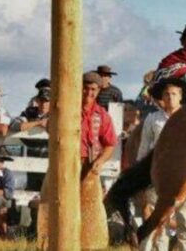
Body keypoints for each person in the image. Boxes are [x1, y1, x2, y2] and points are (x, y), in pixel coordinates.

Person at [137, 78, 186, 251]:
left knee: (185, 220)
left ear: (180, 96)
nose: (170, 97)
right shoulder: (153, 119)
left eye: (174, 94)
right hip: (159, 176)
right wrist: (141, 177)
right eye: (167, 94)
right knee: (158, 221)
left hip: (185, 176)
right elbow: (144, 148)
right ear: (161, 97)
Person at [80, 71, 118, 245]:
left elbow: (110, 143)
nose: (89, 93)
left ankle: (90, 244)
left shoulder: (101, 114)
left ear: (98, 91)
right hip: (68, 164)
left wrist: (100, 161)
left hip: (89, 166)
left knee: (91, 208)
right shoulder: (68, 109)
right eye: (86, 88)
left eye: (93, 89)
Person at [10, 89, 50, 191]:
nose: (44, 104)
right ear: (37, 101)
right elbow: (16, 125)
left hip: (49, 158)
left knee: (48, 189)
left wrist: (49, 125)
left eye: (47, 101)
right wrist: (37, 123)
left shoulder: (56, 114)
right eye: (41, 101)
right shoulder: (29, 112)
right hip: (32, 157)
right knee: (33, 188)